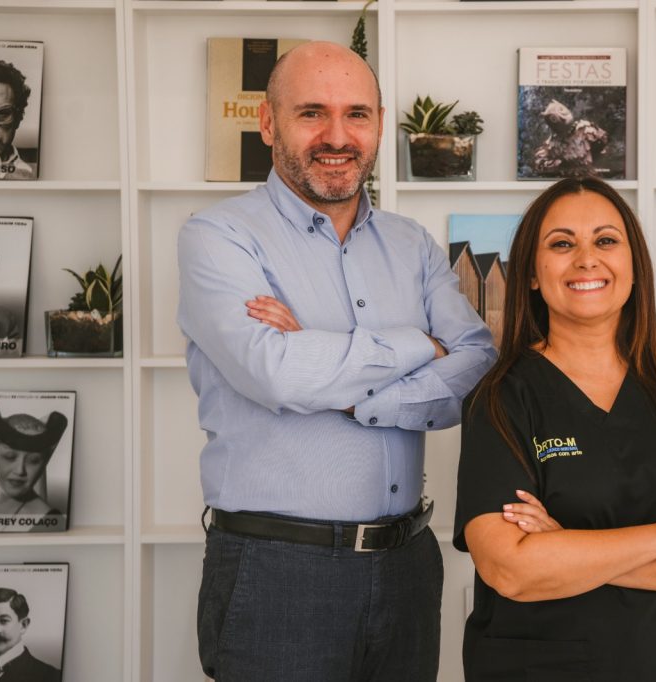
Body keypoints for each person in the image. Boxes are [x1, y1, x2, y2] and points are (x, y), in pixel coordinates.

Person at [177, 41, 495, 681]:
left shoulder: (413, 245)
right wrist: (418, 343)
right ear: (269, 123)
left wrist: (347, 388)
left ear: (378, 123)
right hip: (277, 569)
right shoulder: (218, 236)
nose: (337, 137)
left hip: (407, 566)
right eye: (311, 113)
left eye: (357, 114)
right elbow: (275, 373)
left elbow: (476, 368)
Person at [454, 177, 656, 681]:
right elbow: (510, 570)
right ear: (531, 273)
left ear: (634, 265)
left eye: (605, 240)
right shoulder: (499, 399)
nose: (587, 260)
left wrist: (565, 545)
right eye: (562, 244)